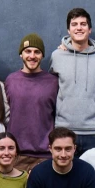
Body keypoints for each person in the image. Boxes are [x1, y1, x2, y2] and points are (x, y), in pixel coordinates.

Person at [50, 8, 95, 157]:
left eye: (83, 24)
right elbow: (49, 90)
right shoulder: (57, 56)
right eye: (74, 24)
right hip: (65, 131)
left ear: (90, 29)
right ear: (68, 30)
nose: (79, 28)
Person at [5, 33, 59, 172]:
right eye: (28, 51)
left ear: (42, 55)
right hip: (15, 155)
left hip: (45, 155)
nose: (32, 56)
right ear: (21, 54)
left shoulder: (53, 82)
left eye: (37, 52)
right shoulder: (10, 80)